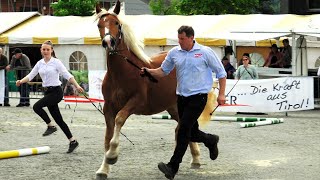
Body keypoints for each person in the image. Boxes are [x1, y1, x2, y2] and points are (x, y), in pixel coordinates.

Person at [141, 25, 226, 179]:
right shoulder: (175, 53)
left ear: (191, 38)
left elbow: (221, 73)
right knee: (192, 134)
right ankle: (211, 140)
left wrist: (221, 94)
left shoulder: (205, 52)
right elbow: (162, 71)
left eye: (182, 39)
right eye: (178, 38)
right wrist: (148, 72)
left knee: (183, 130)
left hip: (198, 97)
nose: (179, 41)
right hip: (181, 98)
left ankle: (172, 167)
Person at [16, 40, 84, 153]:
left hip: (56, 92)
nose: (46, 51)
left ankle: (51, 126)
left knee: (36, 106)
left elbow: (67, 75)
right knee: (59, 120)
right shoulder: (39, 63)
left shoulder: (56, 62)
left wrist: (77, 86)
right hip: (47, 92)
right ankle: (73, 141)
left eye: (48, 49)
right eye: (44, 49)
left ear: (51, 50)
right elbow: (31, 75)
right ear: (41, 50)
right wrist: (21, 81)